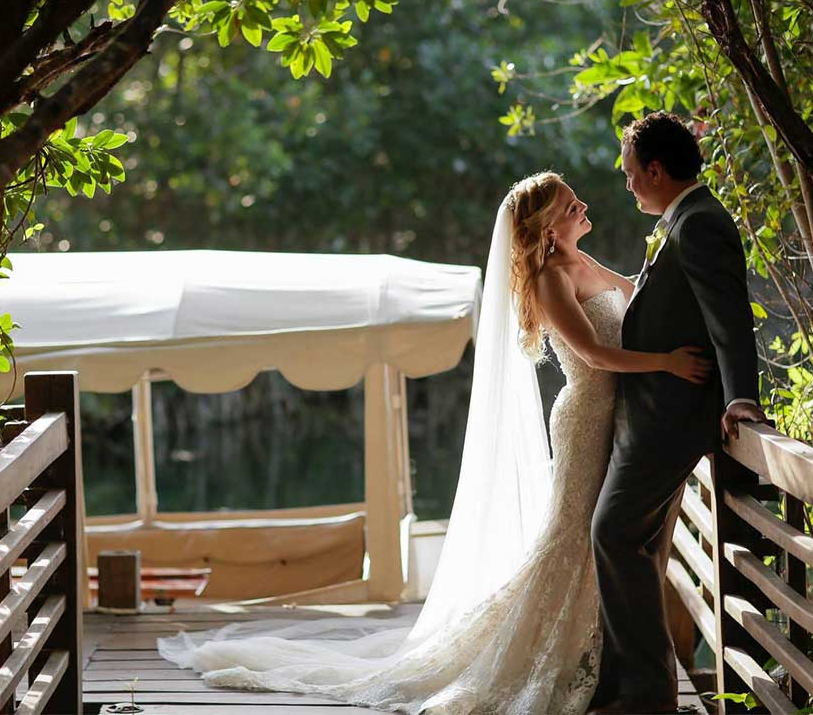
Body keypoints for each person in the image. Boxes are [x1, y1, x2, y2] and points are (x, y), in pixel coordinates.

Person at [157, 170, 710, 714]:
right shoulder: (549, 278)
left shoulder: (582, 260)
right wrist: (666, 363)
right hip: (586, 416)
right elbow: (592, 355)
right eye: (570, 206)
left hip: (616, 418)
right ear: (547, 229)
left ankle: (601, 654)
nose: (583, 207)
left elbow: (634, 292)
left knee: (593, 537)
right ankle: (558, 655)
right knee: (571, 535)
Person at [587, 112, 765, 715]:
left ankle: (645, 692)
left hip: (672, 419)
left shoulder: (701, 223)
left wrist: (741, 397)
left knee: (612, 533)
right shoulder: (686, 217)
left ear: (657, 171)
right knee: (627, 538)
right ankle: (637, 685)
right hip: (654, 415)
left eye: (632, 173)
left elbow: (729, 318)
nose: (629, 183)